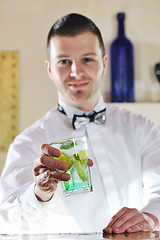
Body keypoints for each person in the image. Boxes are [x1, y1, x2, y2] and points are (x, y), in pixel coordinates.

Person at [0, 13, 160, 234]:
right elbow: (6, 222)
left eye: (87, 59)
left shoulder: (143, 128)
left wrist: (150, 217)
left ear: (104, 63)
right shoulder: (26, 143)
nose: (76, 72)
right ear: (49, 69)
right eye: (64, 61)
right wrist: (38, 194)